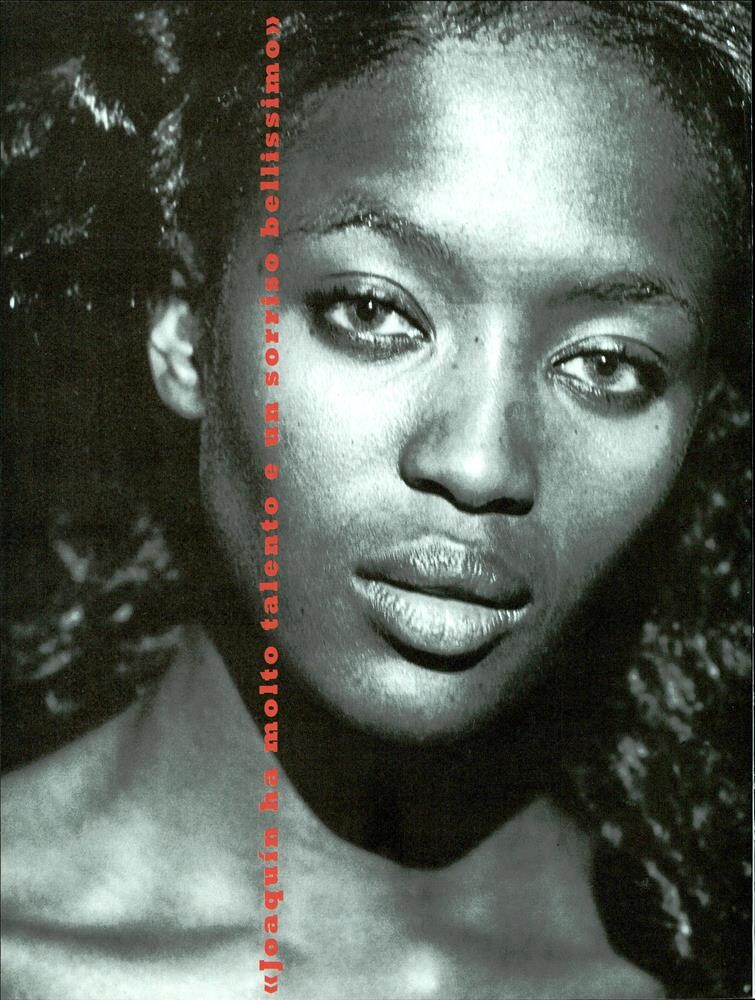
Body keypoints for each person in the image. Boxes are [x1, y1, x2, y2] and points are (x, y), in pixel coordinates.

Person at [1, 2, 751, 998]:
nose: (478, 463)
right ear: (183, 327)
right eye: (371, 310)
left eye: (606, 365)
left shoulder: (699, 958)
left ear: (702, 417)